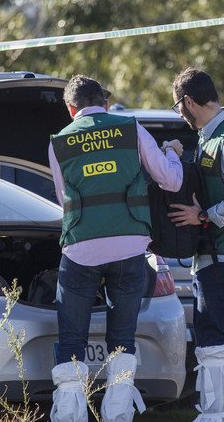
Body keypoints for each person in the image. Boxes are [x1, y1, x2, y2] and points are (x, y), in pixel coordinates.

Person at [48, 75, 184, 422]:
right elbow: (171, 180)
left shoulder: (59, 142)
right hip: (129, 250)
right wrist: (171, 152)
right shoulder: (130, 128)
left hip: (80, 252)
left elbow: (64, 198)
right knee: (122, 340)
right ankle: (119, 415)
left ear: (70, 108)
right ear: (104, 103)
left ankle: (69, 416)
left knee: (71, 342)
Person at [168, 68, 224, 422]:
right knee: (215, 334)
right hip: (214, 256)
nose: (179, 114)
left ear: (189, 101)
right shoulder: (210, 136)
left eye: (178, 107)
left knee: (210, 336)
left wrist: (204, 217)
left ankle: (215, 415)